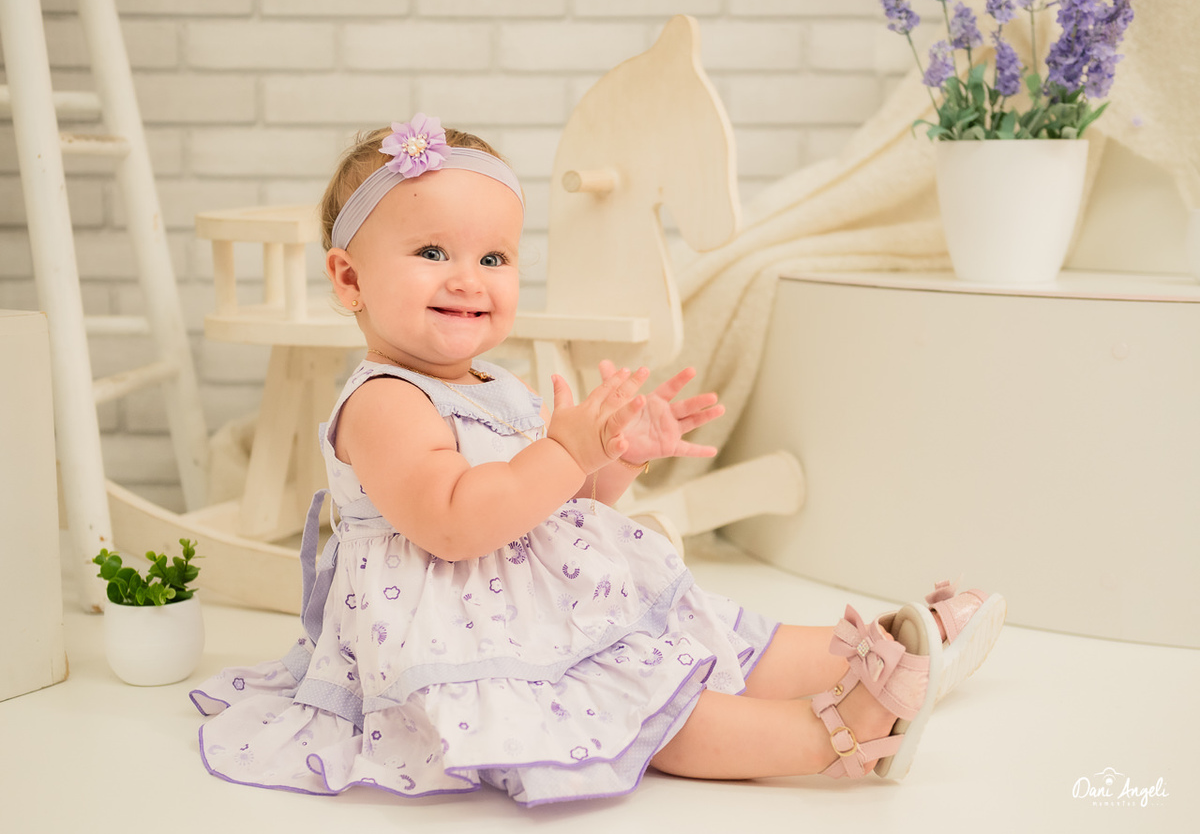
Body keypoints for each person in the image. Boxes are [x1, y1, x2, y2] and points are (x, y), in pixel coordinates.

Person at [190, 114, 1006, 806]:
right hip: (465, 628)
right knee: (636, 700)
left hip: (541, 597)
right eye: (433, 252)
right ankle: (829, 735)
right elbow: (454, 523)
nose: (468, 279)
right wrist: (563, 445)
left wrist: (613, 456)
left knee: (705, 626)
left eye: (494, 258)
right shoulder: (383, 403)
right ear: (348, 279)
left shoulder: (492, 383)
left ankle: (887, 646)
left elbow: (558, 503)